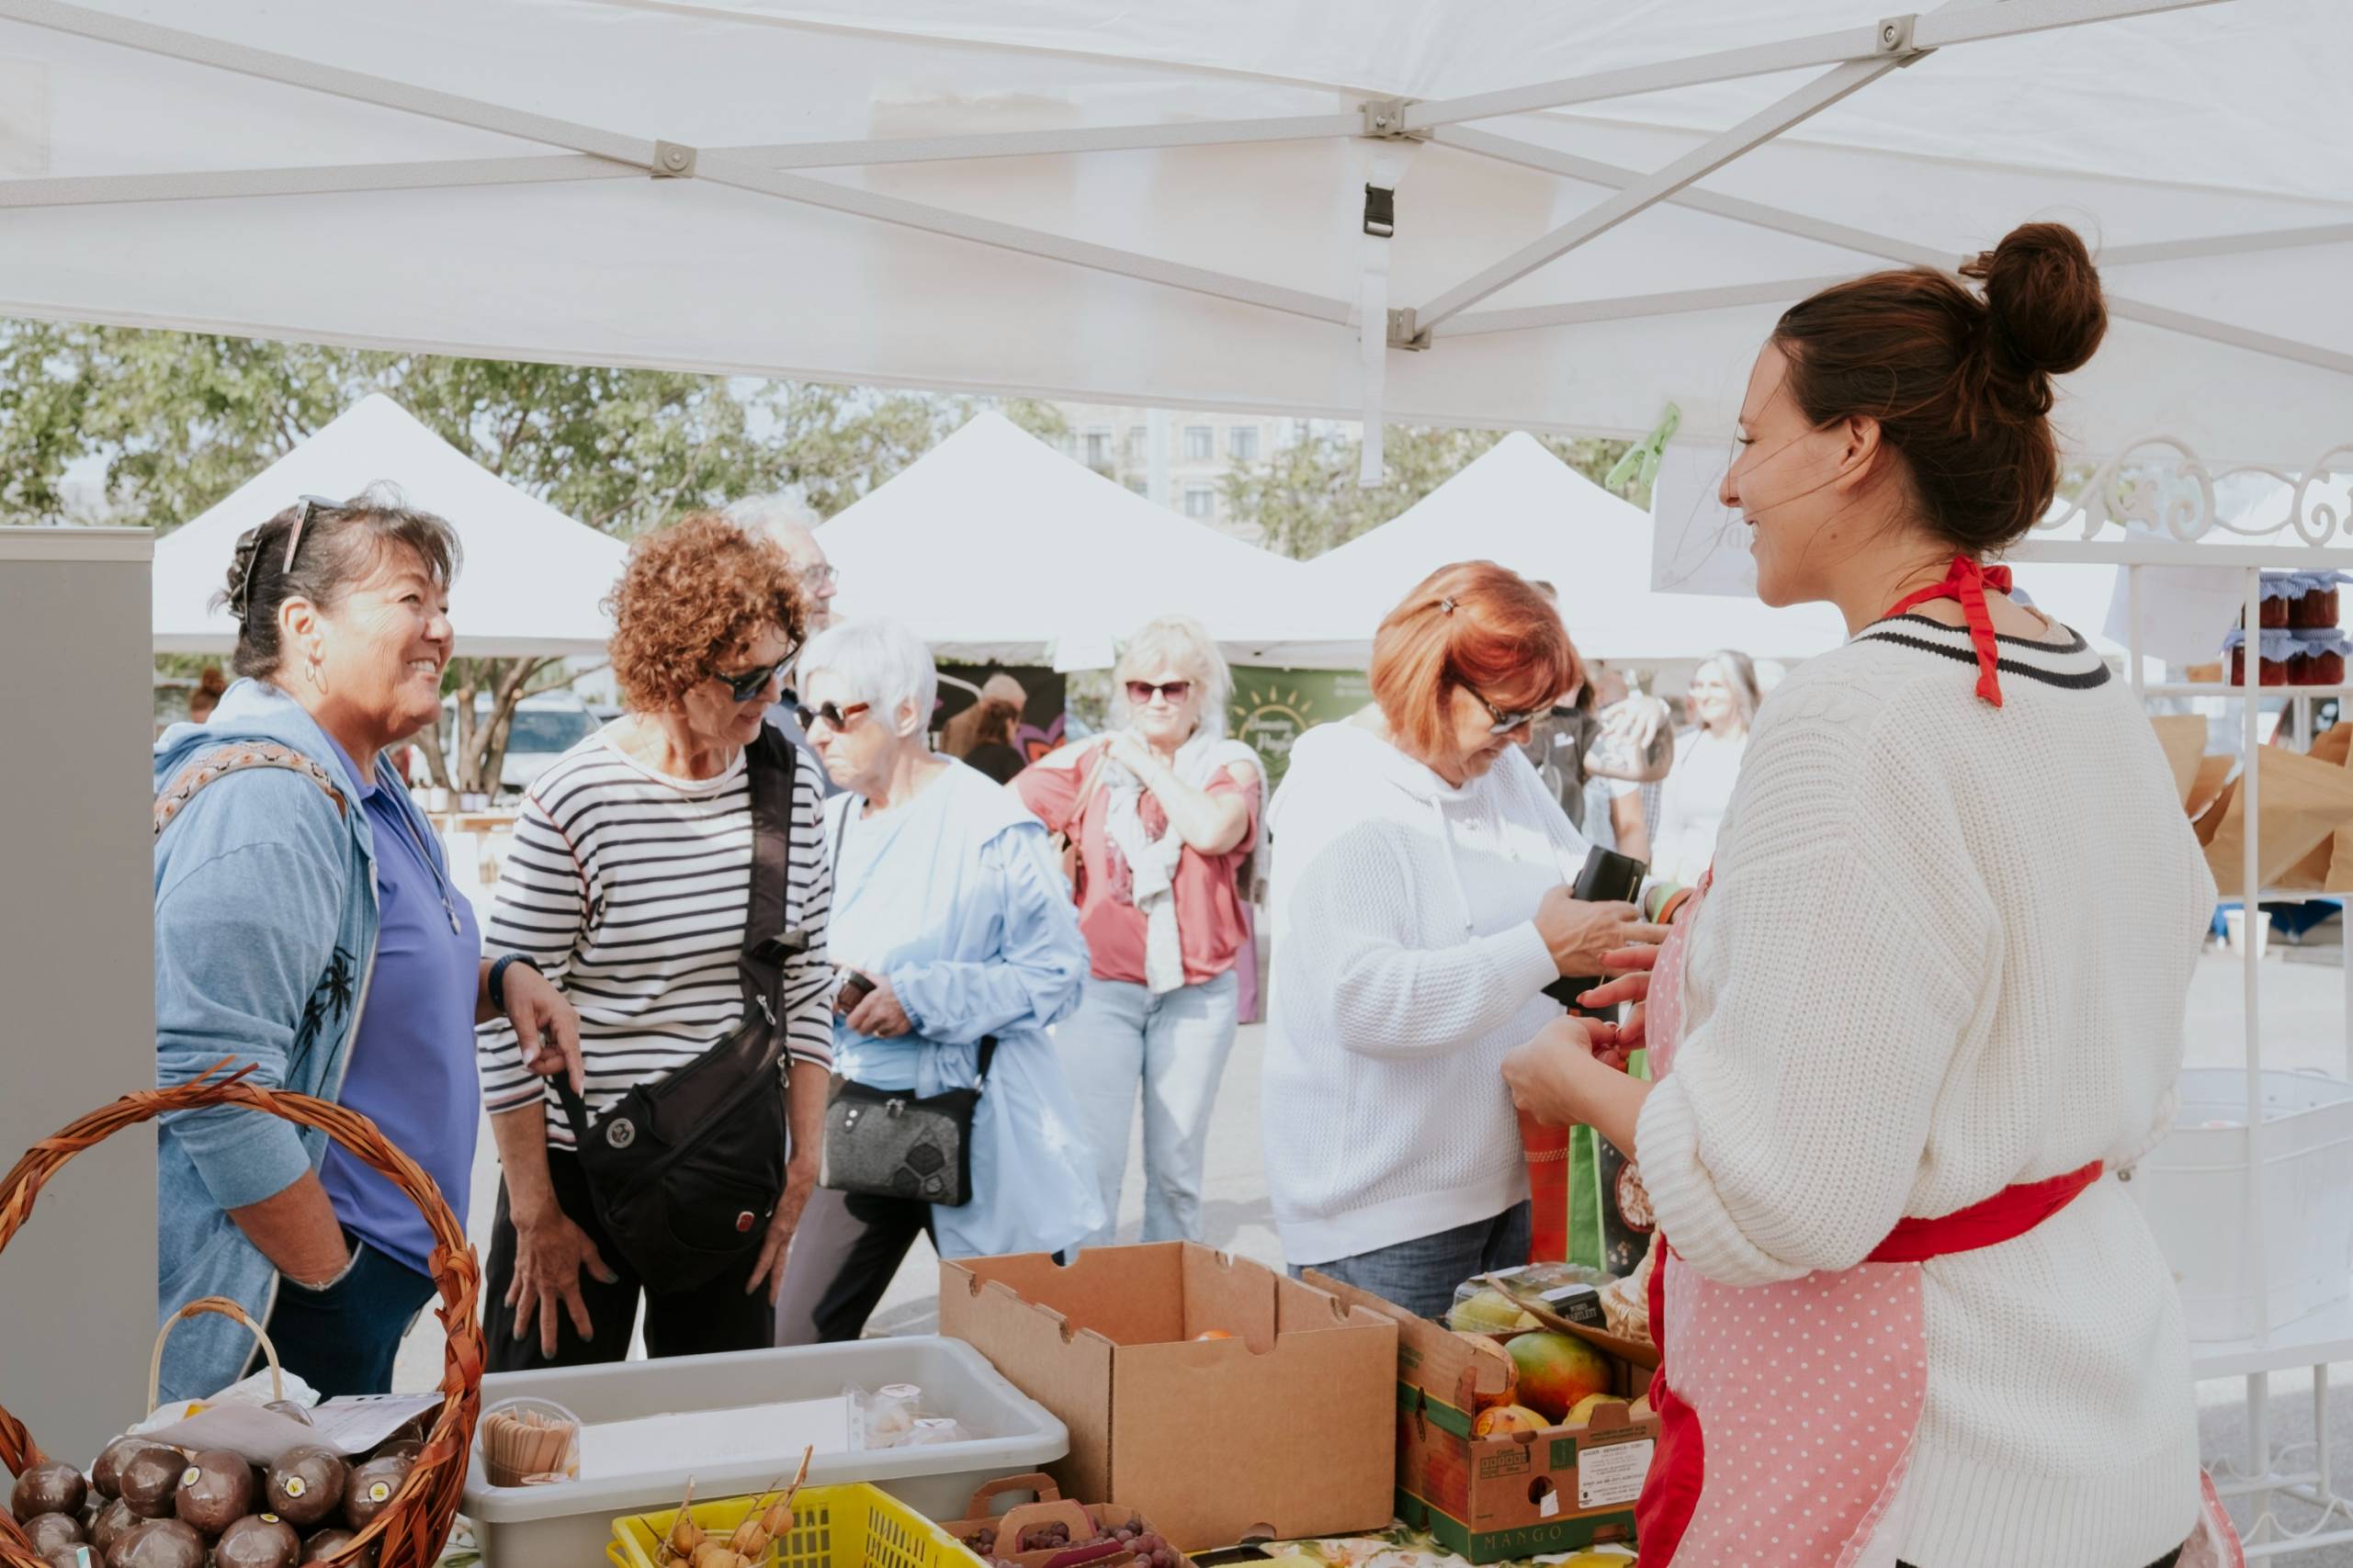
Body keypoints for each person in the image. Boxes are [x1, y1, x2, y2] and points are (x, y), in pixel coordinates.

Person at [1499, 223, 2229, 1568]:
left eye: (1748, 437)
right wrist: (1708, 961)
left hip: (1939, 1462)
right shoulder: (2087, 682)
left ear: (1853, 446)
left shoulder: (1854, 717)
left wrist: (1578, 1085)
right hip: (2104, 1409)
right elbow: (2031, 977)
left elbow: (1784, 1198)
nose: (1727, 486)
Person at [153, 489, 581, 1404]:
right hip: (297, 1293)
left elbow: (360, 980)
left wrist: (501, 979)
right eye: (411, 602)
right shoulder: (268, 803)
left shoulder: (362, 783)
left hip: (353, 1270)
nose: (441, 630)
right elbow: (210, 1077)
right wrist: (330, 1283)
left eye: (443, 605)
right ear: (305, 627)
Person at [1259, 561, 1662, 1318]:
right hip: (1384, 1216)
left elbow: (1579, 895)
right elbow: (1366, 1003)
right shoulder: (1341, 795)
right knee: (1382, 1436)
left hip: (1510, 1186)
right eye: (1508, 714)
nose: (1522, 738)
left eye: (1537, 715)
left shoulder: (1497, 769)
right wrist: (1541, 948)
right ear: (1428, 680)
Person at [477, 513, 831, 1369]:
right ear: (671, 668)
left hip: (728, 1161)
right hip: (576, 1176)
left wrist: (802, 1163)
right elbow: (501, 1014)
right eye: (745, 677)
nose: (771, 696)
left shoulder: (790, 793)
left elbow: (807, 983)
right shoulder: (576, 799)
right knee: (541, 1445)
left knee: (715, 1446)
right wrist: (535, 1212)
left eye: (782, 668)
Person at [772, 619, 1102, 1341]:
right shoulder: (828, 824)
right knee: (795, 1340)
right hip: (857, 1118)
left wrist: (921, 997)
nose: (816, 731)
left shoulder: (988, 819)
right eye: (805, 713)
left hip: (979, 1120)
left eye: (835, 711)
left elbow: (1059, 973)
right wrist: (821, 984)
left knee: (1021, 1351)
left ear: (907, 713)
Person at [1014, 616, 1264, 1251]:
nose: (1155, 700)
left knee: (1176, 1172)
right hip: (1099, 987)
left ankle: (1166, 1315)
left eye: (1173, 687)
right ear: (1121, 691)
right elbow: (994, 813)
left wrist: (1145, 764)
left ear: (1199, 692)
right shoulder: (1093, 762)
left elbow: (1211, 830)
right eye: (1139, 686)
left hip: (1196, 992)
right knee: (1090, 1164)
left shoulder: (1229, 763)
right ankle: (1085, 1312)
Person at [727, 494, 843, 795]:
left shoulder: (809, 691)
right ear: (756, 584)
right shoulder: (727, 707)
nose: (830, 589)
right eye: (812, 575)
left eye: (827, 573)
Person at [1644, 649, 1759, 886]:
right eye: (1698, 685)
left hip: (1743, 887)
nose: (1703, 695)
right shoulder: (1682, 748)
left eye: (1716, 686)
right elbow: (1668, 833)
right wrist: (1663, 899)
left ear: (1739, 690)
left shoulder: (1758, 749)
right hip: (1688, 893)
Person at [942, 672, 1028, 760]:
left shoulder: (984, 726)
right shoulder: (964, 726)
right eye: (1012, 712)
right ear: (992, 703)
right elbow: (958, 767)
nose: (1016, 722)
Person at [956, 696, 1030, 785]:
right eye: (1017, 729)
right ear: (1009, 723)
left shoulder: (971, 756)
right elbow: (1022, 789)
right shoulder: (1009, 756)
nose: (1016, 734)